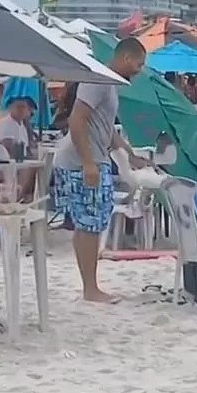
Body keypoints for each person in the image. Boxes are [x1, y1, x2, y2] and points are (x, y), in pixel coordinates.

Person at [53, 37, 149, 303]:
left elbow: (106, 129)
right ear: (127, 58)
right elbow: (77, 119)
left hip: (90, 158)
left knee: (90, 223)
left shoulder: (109, 83)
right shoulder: (98, 80)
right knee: (90, 224)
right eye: (139, 64)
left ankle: (90, 285)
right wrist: (88, 162)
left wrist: (130, 154)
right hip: (80, 160)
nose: (139, 70)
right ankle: (91, 289)